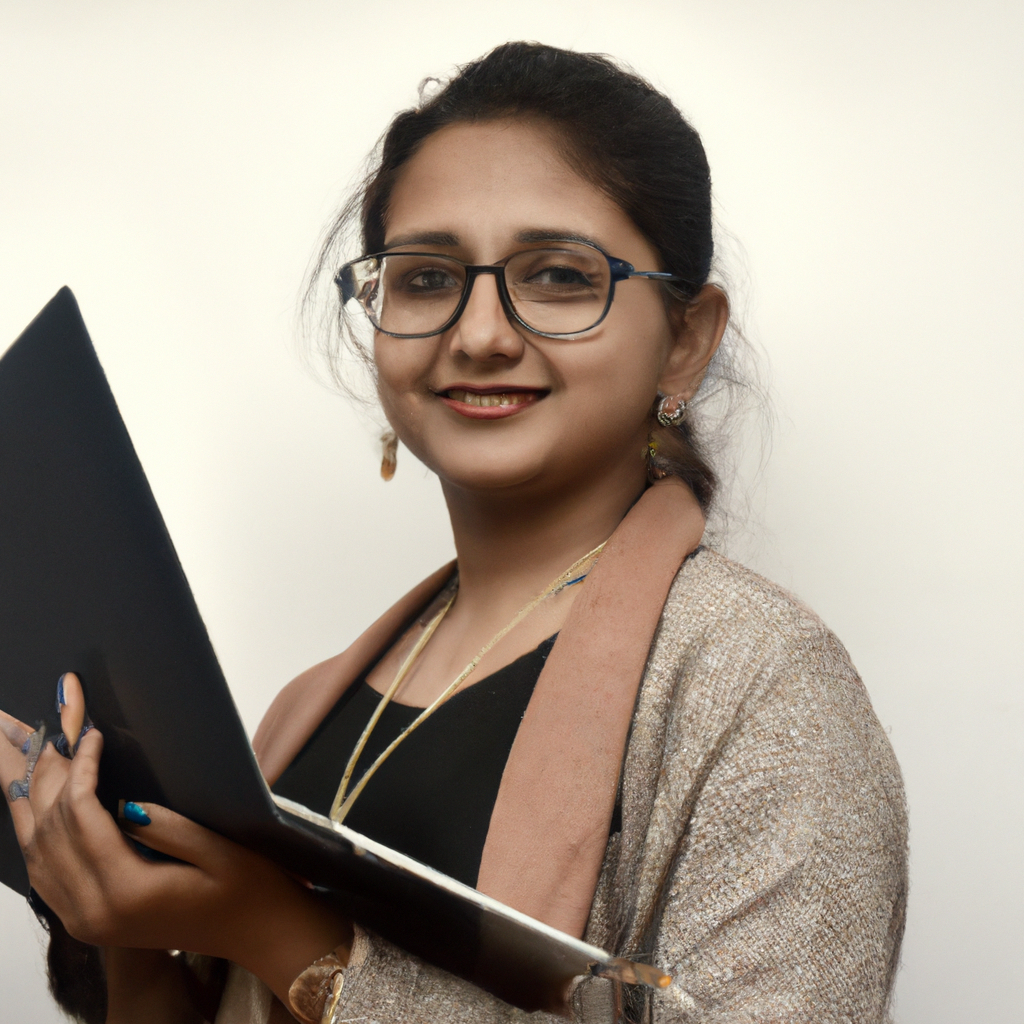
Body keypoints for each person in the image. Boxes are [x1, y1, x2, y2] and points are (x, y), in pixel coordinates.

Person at [0, 42, 907, 1024]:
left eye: (558, 275)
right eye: (427, 277)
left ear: (686, 338)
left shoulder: (765, 682)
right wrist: (123, 935)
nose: (478, 332)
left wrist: (283, 934)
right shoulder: (308, 705)